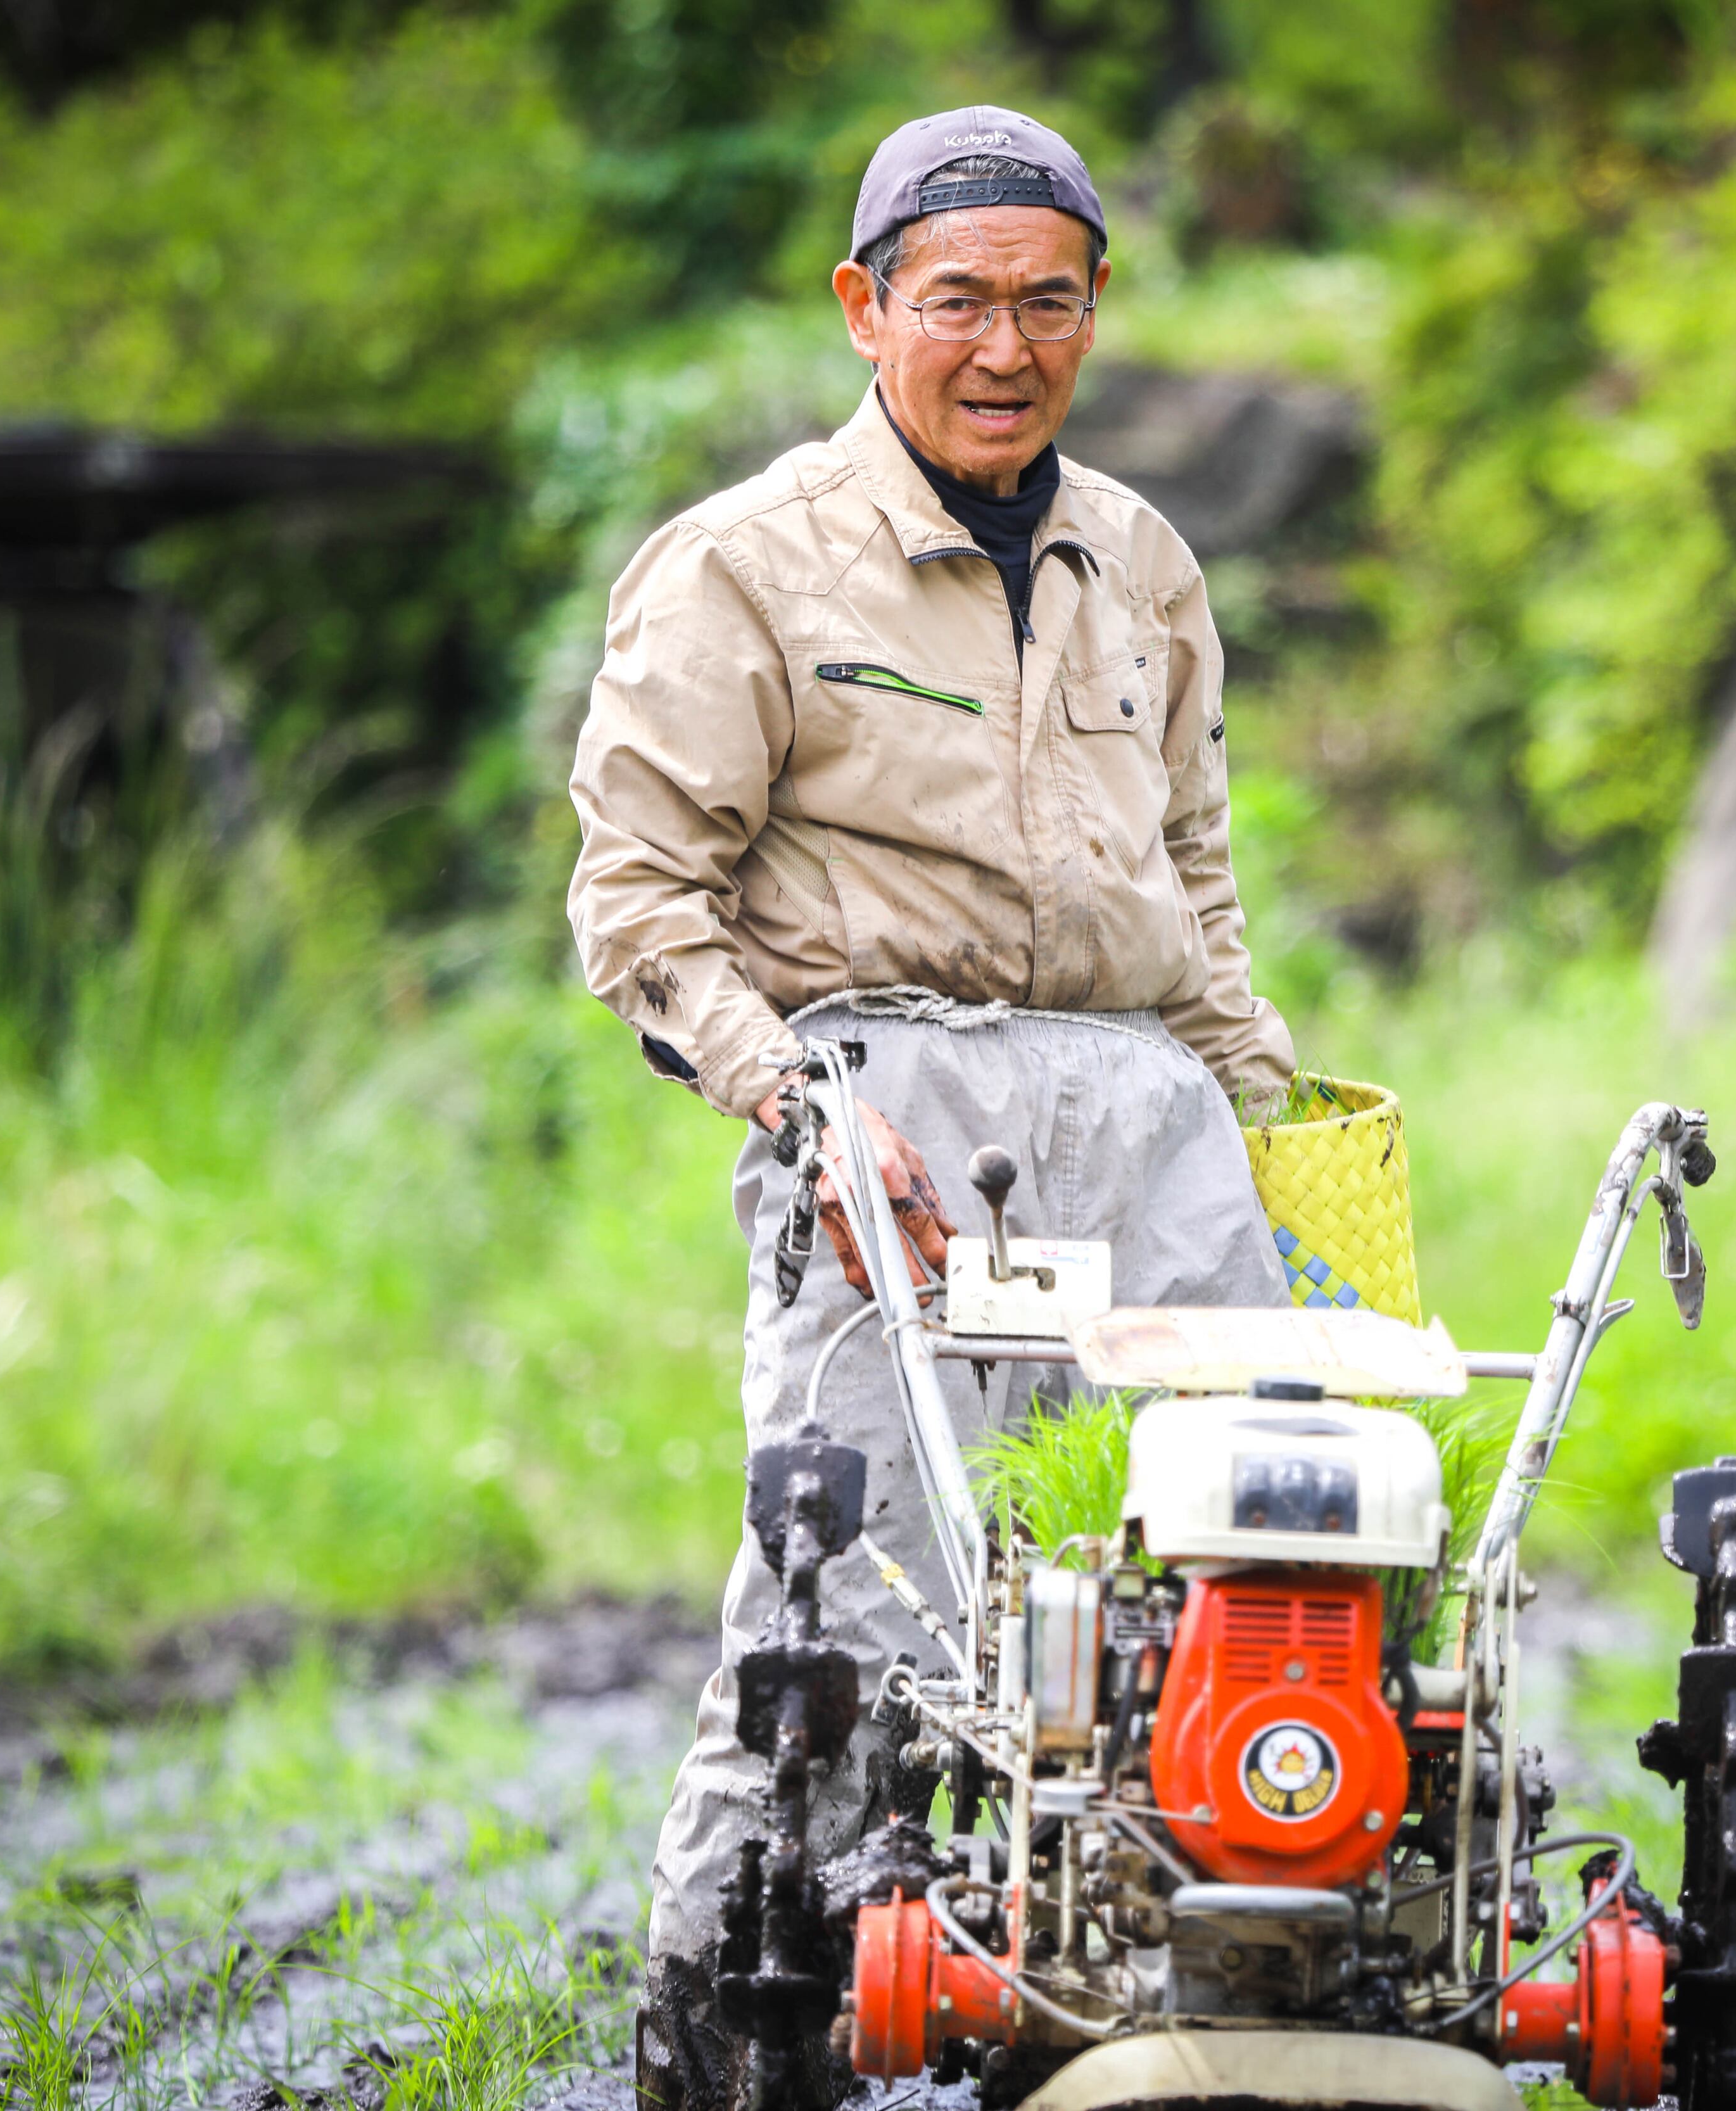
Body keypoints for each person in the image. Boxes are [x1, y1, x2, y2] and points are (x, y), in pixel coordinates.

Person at [566, 103, 1296, 2111]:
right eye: (958, 300)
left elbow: (1197, 890)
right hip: (888, 1121)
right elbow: (639, 904)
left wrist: (1279, 1122)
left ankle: (1182, 2010)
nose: (1004, 347)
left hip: (1149, 1123)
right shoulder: (743, 565)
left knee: (1247, 1561)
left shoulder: (1143, 563)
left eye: (1047, 303)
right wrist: (792, 1098)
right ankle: (737, 2041)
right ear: (863, 307)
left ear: (1097, 309)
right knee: (855, 1611)